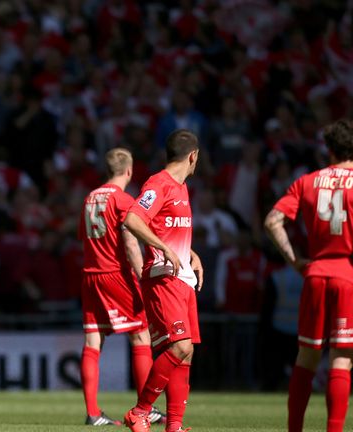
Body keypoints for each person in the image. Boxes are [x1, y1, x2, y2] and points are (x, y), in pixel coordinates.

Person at [263, 119, 353, 432]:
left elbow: (272, 221)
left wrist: (295, 260)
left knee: (306, 358)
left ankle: (294, 429)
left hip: (316, 274)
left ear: (329, 149)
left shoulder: (307, 182)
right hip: (351, 275)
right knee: (341, 360)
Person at [122, 130, 204, 432]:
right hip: (163, 277)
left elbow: (167, 229)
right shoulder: (159, 184)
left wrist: (191, 253)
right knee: (180, 347)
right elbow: (132, 219)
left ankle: (175, 426)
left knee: (187, 352)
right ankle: (140, 411)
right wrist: (166, 249)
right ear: (193, 156)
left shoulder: (181, 188)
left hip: (182, 277)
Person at [78, 148, 164, 426]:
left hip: (90, 275)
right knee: (141, 337)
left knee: (93, 342)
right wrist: (143, 276)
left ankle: (92, 413)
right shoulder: (123, 200)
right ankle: (146, 408)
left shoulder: (90, 198)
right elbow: (129, 241)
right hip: (116, 275)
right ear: (129, 171)